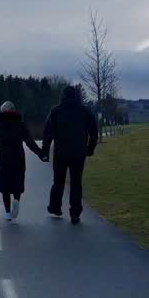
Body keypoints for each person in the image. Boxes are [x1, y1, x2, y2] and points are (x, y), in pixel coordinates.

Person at [41, 85, 99, 224]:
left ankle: (55, 207)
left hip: (60, 152)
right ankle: (75, 213)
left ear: (63, 96)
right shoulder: (85, 111)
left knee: (58, 182)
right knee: (76, 183)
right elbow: (94, 132)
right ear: (77, 96)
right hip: (79, 153)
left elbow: (48, 133)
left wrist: (45, 152)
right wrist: (90, 149)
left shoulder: (56, 111)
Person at [0, 101, 45, 221]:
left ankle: (7, 213)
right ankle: (16, 200)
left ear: (3, 112)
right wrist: (41, 153)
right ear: (14, 111)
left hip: (3, 159)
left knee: (5, 186)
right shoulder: (20, 125)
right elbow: (30, 142)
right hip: (18, 158)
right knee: (17, 182)